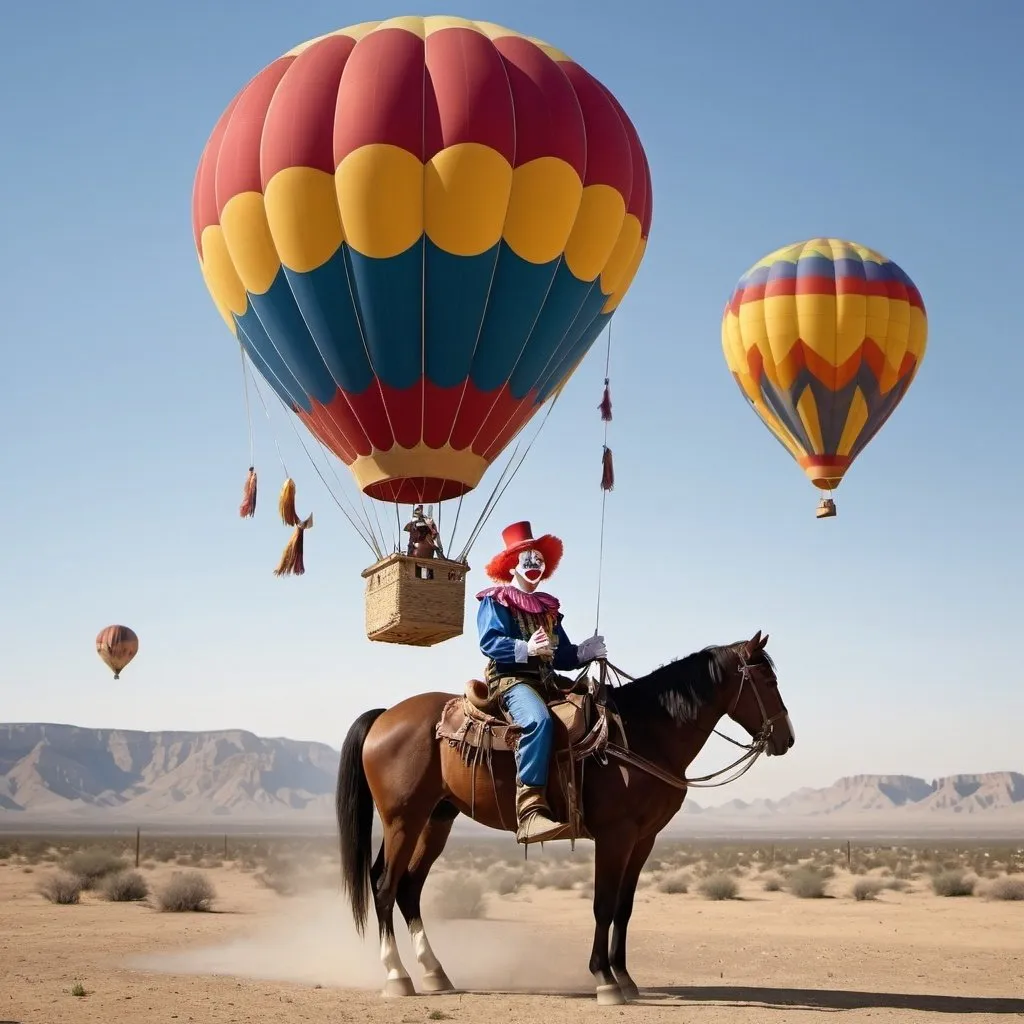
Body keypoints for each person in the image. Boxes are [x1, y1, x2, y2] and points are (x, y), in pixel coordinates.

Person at [476, 521, 607, 844]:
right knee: (537, 721)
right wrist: (525, 648)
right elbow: (489, 642)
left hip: (547, 680)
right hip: (511, 680)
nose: (534, 564)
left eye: (538, 558)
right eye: (527, 558)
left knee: (597, 703)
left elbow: (560, 656)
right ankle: (531, 810)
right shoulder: (496, 600)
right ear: (512, 564)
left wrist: (583, 652)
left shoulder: (549, 609)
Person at [404, 505, 444, 577]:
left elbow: (435, 538)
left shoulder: (426, 530)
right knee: (420, 572)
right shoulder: (417, 528)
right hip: (416, 556)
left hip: (421, 557)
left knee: (424, 572)